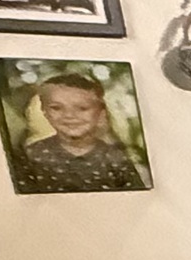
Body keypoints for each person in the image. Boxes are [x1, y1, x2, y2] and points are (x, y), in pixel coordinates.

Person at [12, 69, 146, 193]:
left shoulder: (115, 157)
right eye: (56, 108)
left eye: (82, 108)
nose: (69, 115)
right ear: (44, 112)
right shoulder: (31, 155)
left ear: (100, 113)